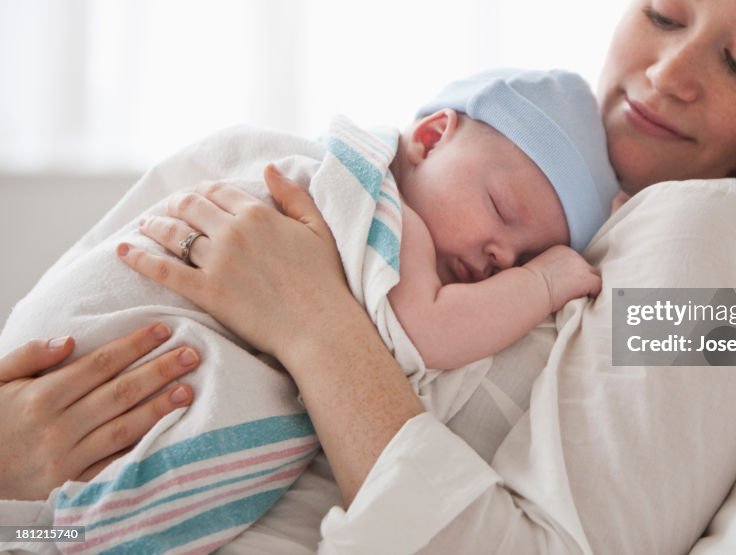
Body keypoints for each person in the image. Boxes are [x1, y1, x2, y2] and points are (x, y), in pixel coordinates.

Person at [0, 0, 736, 552]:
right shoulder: (516, 185)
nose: (665, 73)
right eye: (663, 9)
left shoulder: (702, 240)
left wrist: (313, 319)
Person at [0, 68, 617, 551]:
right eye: (501, 210)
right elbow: (426, 332)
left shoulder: (686, 305)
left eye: (524, 255)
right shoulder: (379, 208)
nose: (500, 257)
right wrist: (540, 280)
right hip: (128, 334)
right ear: (430, 137)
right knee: (78, 526)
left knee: (47, 527)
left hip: (51, 396)